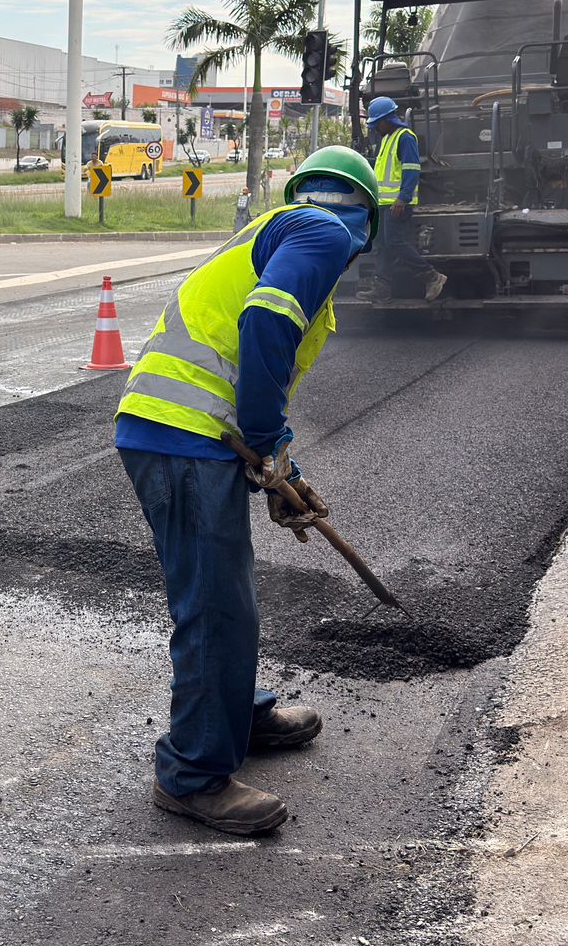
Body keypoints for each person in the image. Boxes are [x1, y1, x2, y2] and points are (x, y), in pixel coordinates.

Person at [115, 146, 381, 836]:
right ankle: (193, 774)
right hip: (178, 436)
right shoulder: (325, 233)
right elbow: (264, 321)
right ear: (367, 223)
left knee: (227, 592)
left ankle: (241, 715)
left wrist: (278, 468)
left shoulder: (280, 230)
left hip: (183, 434)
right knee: (214, 607)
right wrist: (267, 443)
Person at [361, 96, 447, 303]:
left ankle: (432, 276)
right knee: (380, 243)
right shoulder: (387, 138)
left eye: (376, 123)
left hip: (398, 203)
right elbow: (383, 168)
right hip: (383, 202)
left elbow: (411, 169)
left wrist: (403, 198)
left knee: (395, 241)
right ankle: (382, 289)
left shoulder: (405, 137)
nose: (375, 128)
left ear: (386, 120)